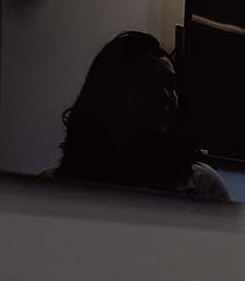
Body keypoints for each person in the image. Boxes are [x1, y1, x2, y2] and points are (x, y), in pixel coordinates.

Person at [46, 31, 230, 200]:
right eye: (148, 82)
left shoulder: (203, 186)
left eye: (170, 85)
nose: (165, 95)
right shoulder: (49, 189)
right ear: (108, 93)